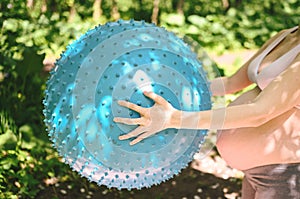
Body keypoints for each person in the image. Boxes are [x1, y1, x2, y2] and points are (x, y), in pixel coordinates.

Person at [113, 25, 300, 199]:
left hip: (284, 175)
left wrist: (175, 118)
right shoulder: (285, 36)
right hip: (256, 172)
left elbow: (261, 112)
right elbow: (231, 83)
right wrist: (168, 89)